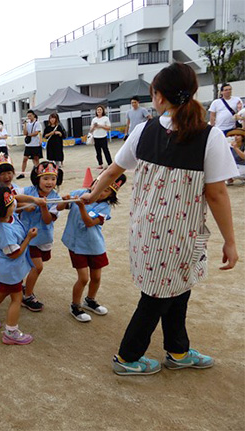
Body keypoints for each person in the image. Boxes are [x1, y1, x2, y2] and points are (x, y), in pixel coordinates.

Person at [81, 62, 239, 376]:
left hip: (148, 231)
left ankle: (178, 350)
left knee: (177, 289)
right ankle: (127, 358)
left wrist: (92, 192)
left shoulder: (145, 130)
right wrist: (230, 242)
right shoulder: (210, 137)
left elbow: (114, 169)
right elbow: (217, 194)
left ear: (158, 97)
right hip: (178, 235)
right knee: (156, 296)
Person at [58, 174, 126, 322]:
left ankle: (90, 300)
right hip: (77, 245)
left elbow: (89, 223)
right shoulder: (80, 193)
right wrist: (65, 201)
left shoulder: (104, 207)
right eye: (100, 186)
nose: (101, 191)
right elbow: (59, 207)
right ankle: (75, 306)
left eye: (107, 190)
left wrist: (81, 207)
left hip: (95, 246)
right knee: (83, 278)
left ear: (111, 196)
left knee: (96, 277)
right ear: (94, 183)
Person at [0, 185, 37, 345]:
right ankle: (11, 332)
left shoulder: (5, 214)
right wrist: (28, 238)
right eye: (11, 204)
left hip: (7, 268)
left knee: (3, 290)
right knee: (17, 298)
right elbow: (14, 253)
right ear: (1, 210)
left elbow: (17, 202)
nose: (14, 205)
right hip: (8, 267)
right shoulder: (3, 229)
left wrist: (32, 203)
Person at [19, 161, 60, 312]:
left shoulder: (56, 198)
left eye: (53, 178)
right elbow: (12, 199)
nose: (49, 182)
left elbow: (48, 220)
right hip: (26, 237)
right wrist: (27, 203)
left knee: (31, 265)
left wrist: (43, 206)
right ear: (37, 178)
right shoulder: (27, 190)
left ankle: (23, 287)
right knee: (37, 267)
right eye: (45, 178)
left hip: (43, 237)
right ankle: (27, 296)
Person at [17, 110, 42, 179]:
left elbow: (37, 132)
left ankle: (38, 172)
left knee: (36, 159)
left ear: (34, 115)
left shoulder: (37, 123)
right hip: (28, 145)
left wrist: (29, 135)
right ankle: (22, 173)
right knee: (25, 158)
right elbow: (25, 133)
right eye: (28, 116)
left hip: (35, 144)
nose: (29, 117)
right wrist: (24, 126)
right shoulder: (27, 124)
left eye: (30, 116)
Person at [89, 105, 112, 169]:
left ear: (102, 111)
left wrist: (101, 126)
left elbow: (109, 128)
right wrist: (94, 126)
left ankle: (110, 163)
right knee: (98, 152)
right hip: (96, 137)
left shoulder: (105, 118)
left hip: (103, 137)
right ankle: (100, 164)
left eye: (100, 110)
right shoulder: (94, 119)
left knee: (106, 150)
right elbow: (91, 130)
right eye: (98, 110)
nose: (99, 111)